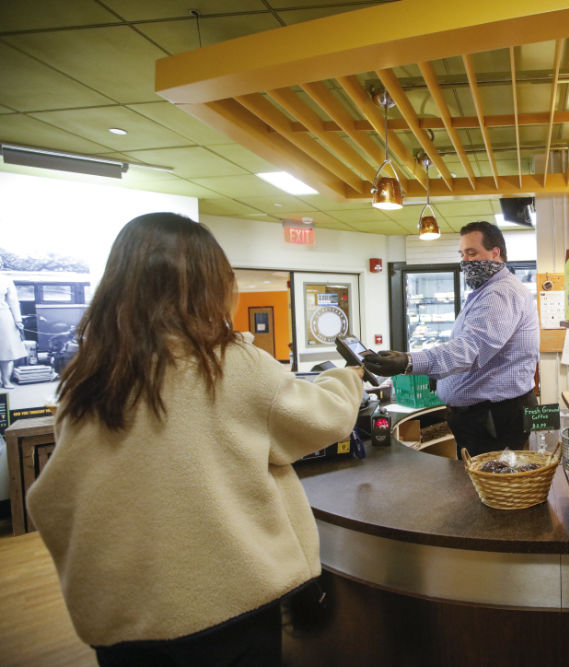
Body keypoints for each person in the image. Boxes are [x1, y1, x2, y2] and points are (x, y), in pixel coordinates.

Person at [26, 213, 364, 666]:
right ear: (210, 286)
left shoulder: (88, 377)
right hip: (227, 605)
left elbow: (59, 496)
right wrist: (348, 377)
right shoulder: (229, 364)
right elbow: (327, 419)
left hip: (122, 619)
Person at [365, 221, 539, 457]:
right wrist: (442, 374)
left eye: (472, 252)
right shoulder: (486, 291)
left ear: (495, 253)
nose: (465, 261)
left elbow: (470, 349)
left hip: (495, 419)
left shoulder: (499, 293)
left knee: (492, 487)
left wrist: (408, 361)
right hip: (487, 417)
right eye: (462, 254)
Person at [0, 257, 27, 389]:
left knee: (6, 351)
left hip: (4, 317)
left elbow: (13, 302)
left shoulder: (6, 280)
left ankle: (6, 381)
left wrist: (18, 320)